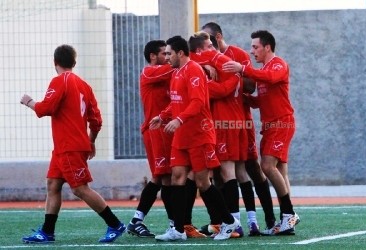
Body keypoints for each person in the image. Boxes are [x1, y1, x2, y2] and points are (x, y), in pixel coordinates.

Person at [19, 44, 125, 243]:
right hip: (64, 147)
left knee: (79, 188)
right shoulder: (84, 85)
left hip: (69, 146)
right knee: (53, 184)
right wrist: (91, 141)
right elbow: (96, 120)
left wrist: (29, 101)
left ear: (55, 62)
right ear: (74, 63)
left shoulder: (60, 81)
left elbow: (45, 108)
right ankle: (47, 232)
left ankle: (115, 224)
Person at [149, 35, 240, 241]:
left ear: (180, 53)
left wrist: (179, 120)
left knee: (202, 182)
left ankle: (229, 222)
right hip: (182, 136)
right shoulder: (176, 73)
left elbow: (198, 102)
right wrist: (162, 116)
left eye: (169, 53)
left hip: (199, 134)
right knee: (177, 177)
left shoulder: (193, 71)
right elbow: (177, 101)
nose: (166, 57)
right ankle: (179, 229)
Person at [202, 22, 277, 235]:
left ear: (217, 37)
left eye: (208, 41)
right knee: (220, 173)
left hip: (240, 121)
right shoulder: (204, 59)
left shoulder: (238, 55)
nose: (205, 47)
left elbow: (251, 86)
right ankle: (223, 221)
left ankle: (265, 218)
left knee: (251, 168)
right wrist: (206, 69)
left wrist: (231, 76)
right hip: (216, 122)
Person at [223, 30, 300, 235]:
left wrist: (243, 68)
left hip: (281, 124)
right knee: (280, 171)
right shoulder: (264, 69)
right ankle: (287, 220)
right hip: (270, 126)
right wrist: (243, 98)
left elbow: (271, 77)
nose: (252, 51)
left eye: (255, 47)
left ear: (267, 47)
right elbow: (261, 101)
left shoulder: (277, 65)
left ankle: (289, 213)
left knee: (267, 166)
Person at [126, 40, 178, 238]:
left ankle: (137, 220)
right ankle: (175, 225)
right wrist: (197, 63)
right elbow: (175, 69)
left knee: (161, 177)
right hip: (156, 130)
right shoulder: (149, 72)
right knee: (166, 177)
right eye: (164, 54)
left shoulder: (166, 74)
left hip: (166, 129)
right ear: (152, 57)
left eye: (169, 53)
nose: (167, 57)